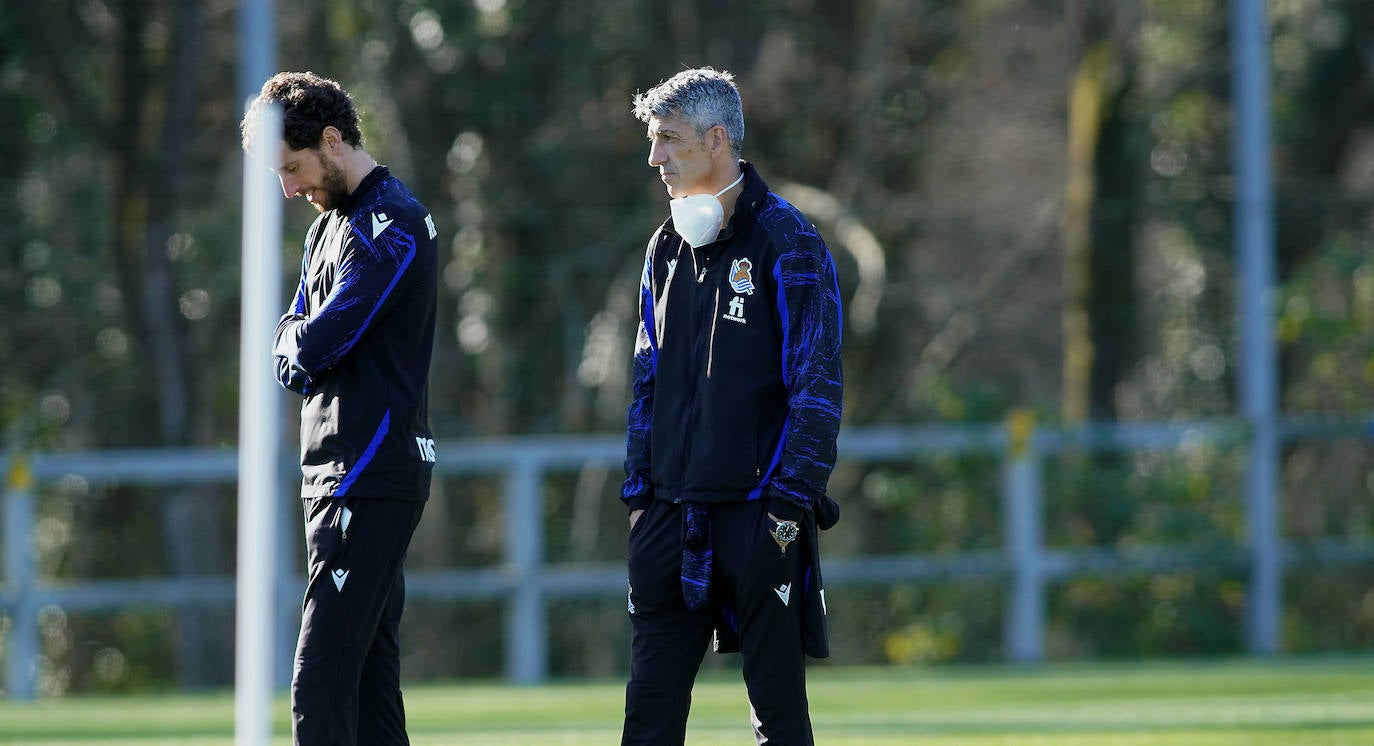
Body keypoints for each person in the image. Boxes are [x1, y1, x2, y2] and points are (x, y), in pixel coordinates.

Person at [620, 67, 844, 746]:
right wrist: (641, 498)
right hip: (669, 517)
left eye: (668, 139)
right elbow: (645, 381)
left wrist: (786, 505)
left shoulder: (789, 241)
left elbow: (818, 386)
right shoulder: (663, 248)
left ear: (717, 139)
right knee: (648, 715)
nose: (654, 156)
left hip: (758, 515)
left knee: (778, 717)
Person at [240, 71, 439, 746]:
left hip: (371, 470)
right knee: (368, 683)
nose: (289, 189)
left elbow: (314, 343)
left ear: (332, 140)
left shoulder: (394, 226)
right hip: (330, 473)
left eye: (292, 168)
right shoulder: (328, 227)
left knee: (319, 678)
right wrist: (294, 342)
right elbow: (288, 344)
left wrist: (295, 342)